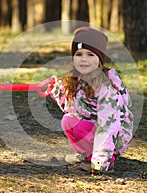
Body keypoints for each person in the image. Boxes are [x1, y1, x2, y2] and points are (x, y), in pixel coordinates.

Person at [49, 27, 134, 173]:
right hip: (94, 125)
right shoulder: (78, 80)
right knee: (68, 120)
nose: (83, 59)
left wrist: (101, 161)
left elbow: (109, 126)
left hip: (115, 135)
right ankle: (87, 154)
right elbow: (72, 108)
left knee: (81, 126)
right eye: (79, 54)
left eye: (90, 55)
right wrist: (57, 90)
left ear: (100, 59)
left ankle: (105, 159)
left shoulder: (106, 88)